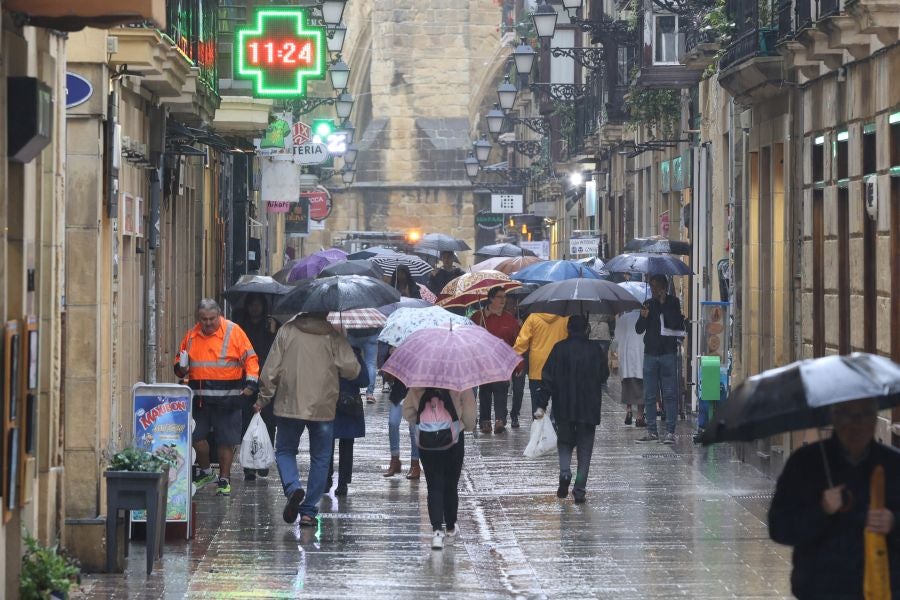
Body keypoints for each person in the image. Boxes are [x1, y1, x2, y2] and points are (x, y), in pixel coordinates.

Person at [768, 398, 900, 599]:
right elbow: (779, 528)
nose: (856, 424)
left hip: (882, 589)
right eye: (847, 415)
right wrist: (821, 510)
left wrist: (894, 522)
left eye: (863, 415)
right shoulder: (805, 464)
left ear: (874, 419)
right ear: (835, 418)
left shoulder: (893, 465)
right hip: (821, 590)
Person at [255, 311, 360, 526]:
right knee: (321, 458)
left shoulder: (287, 331)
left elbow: (271, 369)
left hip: (289, 403)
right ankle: (309, 512)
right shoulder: (332, 335)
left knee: (285, 450)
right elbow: (352, 370)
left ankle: (293, 488)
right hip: (323, 406)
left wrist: (263, 398)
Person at [174, 299, 259, 497]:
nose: (208, 323)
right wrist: (181, 368)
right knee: (196, 437)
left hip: (228, 398)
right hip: (199, 399)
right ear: (198, 318)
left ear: (219, 315)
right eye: (204, 319)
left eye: (212, 319)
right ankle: (206, 472)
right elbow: (180, 364)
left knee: (225, 441)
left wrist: (251, 384)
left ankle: (224, 479)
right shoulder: (192, 336)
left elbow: (251, 359)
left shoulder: (234, 332)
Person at [537, 316, 608, 504]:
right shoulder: (596, 349)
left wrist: (542, 404)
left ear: (568, 329)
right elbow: (604, 375)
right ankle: (579, 489)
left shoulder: (559, 349)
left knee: (565, 443)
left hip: (564, 406)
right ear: (587, 330)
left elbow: (547, 377)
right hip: (589, 408)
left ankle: (565, 472)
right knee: (585, 450)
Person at [403, 387, 476, 549]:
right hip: (454, 438)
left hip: (427, 440)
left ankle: (437, 531)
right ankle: (450, 525)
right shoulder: (460, 379)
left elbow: (407, 411)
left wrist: (424, 419)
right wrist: (466, 425)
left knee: (434, 484)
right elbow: (470, 415)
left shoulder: (418, 382)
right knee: (451, 483)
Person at [634, 274, 684, 444]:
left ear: (664, 287)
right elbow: (639, 330)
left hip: (668, 353)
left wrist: (663, 305)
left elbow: (675, 323)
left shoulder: (673, 303)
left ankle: (670, 431)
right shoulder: (648, 304)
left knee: (669, 394)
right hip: (651, 354)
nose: (654, 290)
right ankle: (652, 431)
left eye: (656, 286)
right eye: (652, 287)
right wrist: (643, 316)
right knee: (649, 394)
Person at [235, 293, 278, 480]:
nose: (255, 308)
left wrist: (274, 330)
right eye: (251, 304)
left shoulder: (272, 325)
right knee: (246, 421)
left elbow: (277, 349)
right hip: (245, 379)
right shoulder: (240, 326)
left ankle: (263, 461)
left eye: (258, 305)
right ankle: (249, 465)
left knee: (268, 421)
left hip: (267, 377)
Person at [471, 287, 521, 433]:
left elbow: (517, 343)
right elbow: (470, 337)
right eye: (500, 297)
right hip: (483, 362)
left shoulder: (509, 319)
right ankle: (485, 421)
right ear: (491, 298)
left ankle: (500, 419)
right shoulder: (478, 317)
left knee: (501, 389)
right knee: (485, 391)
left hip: (502, 361)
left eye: (504, 297)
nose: (503, 300)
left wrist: (518, 364)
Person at [327, 344, 370, 496]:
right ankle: (342, 483)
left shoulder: (324, 352)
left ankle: (327, 479)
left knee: (327, 442)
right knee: (346, 445)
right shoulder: (354, 354)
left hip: (329, 403)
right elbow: (365, 380)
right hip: (349, 404)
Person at [513, 312, 570, 416]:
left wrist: (515, 361)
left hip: (537, 368)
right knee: (559, 405)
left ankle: (538, 428)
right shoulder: (565, 318)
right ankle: (555, 427)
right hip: (559, 367)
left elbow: (522, 342)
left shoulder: (533, 318)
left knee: (537, 405)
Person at [382, 355, 421, 480]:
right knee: (393, 423)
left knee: (413, 428)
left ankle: (415, 464)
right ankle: (395, 460)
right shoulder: (400, 350)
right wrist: (392, 370)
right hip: (399, 393)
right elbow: (386, 376)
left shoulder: (424, 353)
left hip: (416, 393)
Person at [615, 306, 646, 426]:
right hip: (641, 356)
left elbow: (617, 338)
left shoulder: (624, 318)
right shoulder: (644, 317)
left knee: (627, 385)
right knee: (641, 387)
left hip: (626, 356)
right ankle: (639, 416)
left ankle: (628, 411)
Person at [505, 294, 527, 428]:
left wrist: (522, 327)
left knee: (518, 389)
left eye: (513, 305)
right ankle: (502, 415)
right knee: (502, 388)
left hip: (519, 359)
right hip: (504, 358)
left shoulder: (523, 318)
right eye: (508, 304)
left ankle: (515, 414)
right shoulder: (502, 320)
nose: (510, 307)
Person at [347, 326, 380, 404]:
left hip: (353, 335)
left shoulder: (351, 313)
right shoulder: (372, 313)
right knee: (371, 364)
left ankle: (354, 388)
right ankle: (369, 393)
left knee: (352, 361)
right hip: (372, 335)